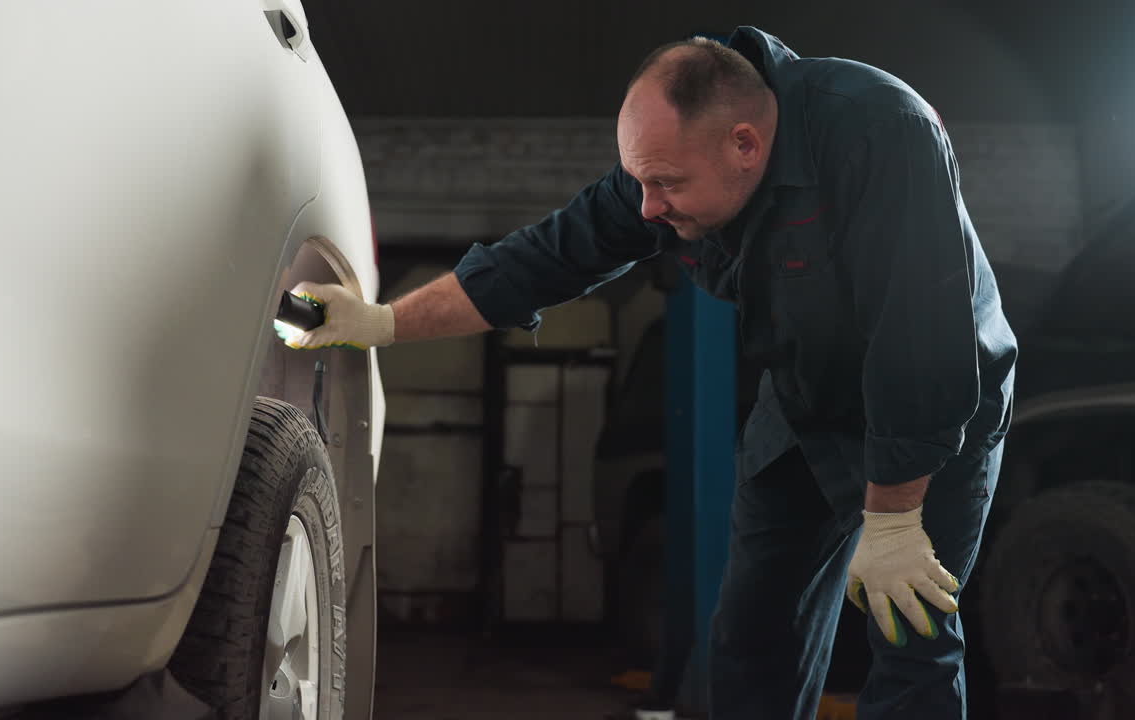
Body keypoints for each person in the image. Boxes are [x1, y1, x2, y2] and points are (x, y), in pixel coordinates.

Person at [279, 26, 1017, 720]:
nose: (647, 207)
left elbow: (920, 344)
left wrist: (892, 519)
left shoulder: (880, 131)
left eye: (664, 184)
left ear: (745, 145)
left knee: (911, 636)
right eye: (639, 182)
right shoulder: (664, 174)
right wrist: (380, 321)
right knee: (753, 632)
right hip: (804, 405)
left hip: (938, 414)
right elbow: (541, 258)